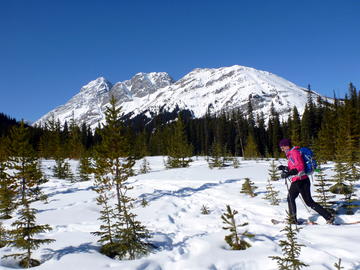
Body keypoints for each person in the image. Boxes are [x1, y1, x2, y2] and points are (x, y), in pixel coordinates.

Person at [277, 138, 334, 224]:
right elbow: (293, 167)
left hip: (301, 180)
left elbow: (300, 167)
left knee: (308, 202)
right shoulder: (291, 154)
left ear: (287, 146)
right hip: (297, 180)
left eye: (282, 147)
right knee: (291, 198)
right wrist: (284, 168)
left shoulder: (294, 153)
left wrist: (288, 173)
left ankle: (328, 217)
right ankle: (293, 219)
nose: (282, 149)